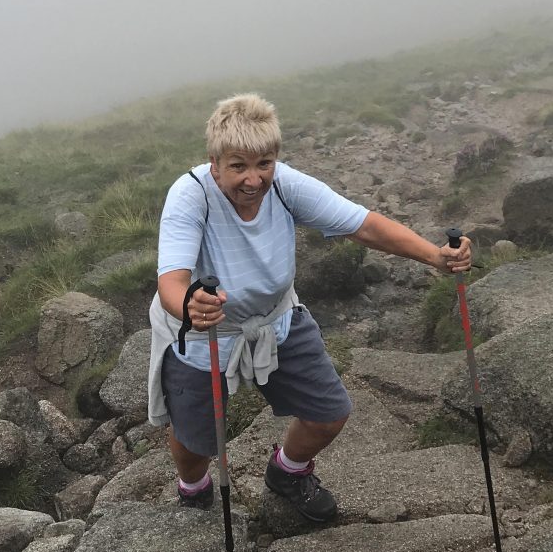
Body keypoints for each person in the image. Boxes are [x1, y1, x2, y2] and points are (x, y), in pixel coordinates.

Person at [148, 93, 471, 521]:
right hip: (203, 332)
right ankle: (194, 489)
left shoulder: (285, 185)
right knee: (195, 443)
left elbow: (363, 224)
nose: (253, 179)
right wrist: (189, 307)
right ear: (215, 162)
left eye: (264, 163)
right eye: (238, 166)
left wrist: (434, 256)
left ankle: (288, 473)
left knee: (328, 414)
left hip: (276, 319)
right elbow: (172, 280)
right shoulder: (191, 196)